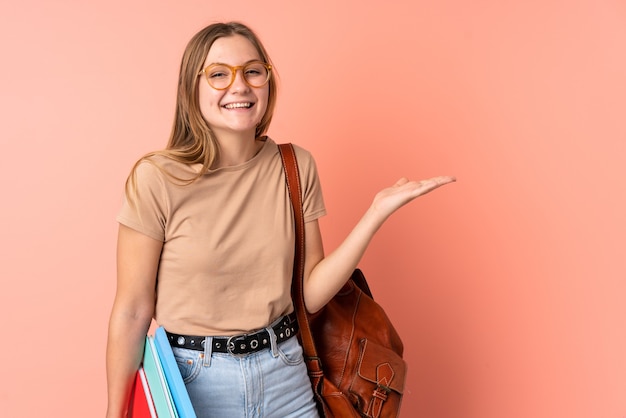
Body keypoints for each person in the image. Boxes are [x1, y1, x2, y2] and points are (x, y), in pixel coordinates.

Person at [105, 21, 455, 418]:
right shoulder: (157, 178)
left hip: (285, 374)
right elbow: (132, 309)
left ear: (267, 82)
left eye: (253, 71)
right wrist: (115, 412)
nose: (239, 86)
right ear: (192, 88)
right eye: (219, 74)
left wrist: (374, 214)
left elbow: (308, 294)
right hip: (196, 383)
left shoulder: (294, 166)